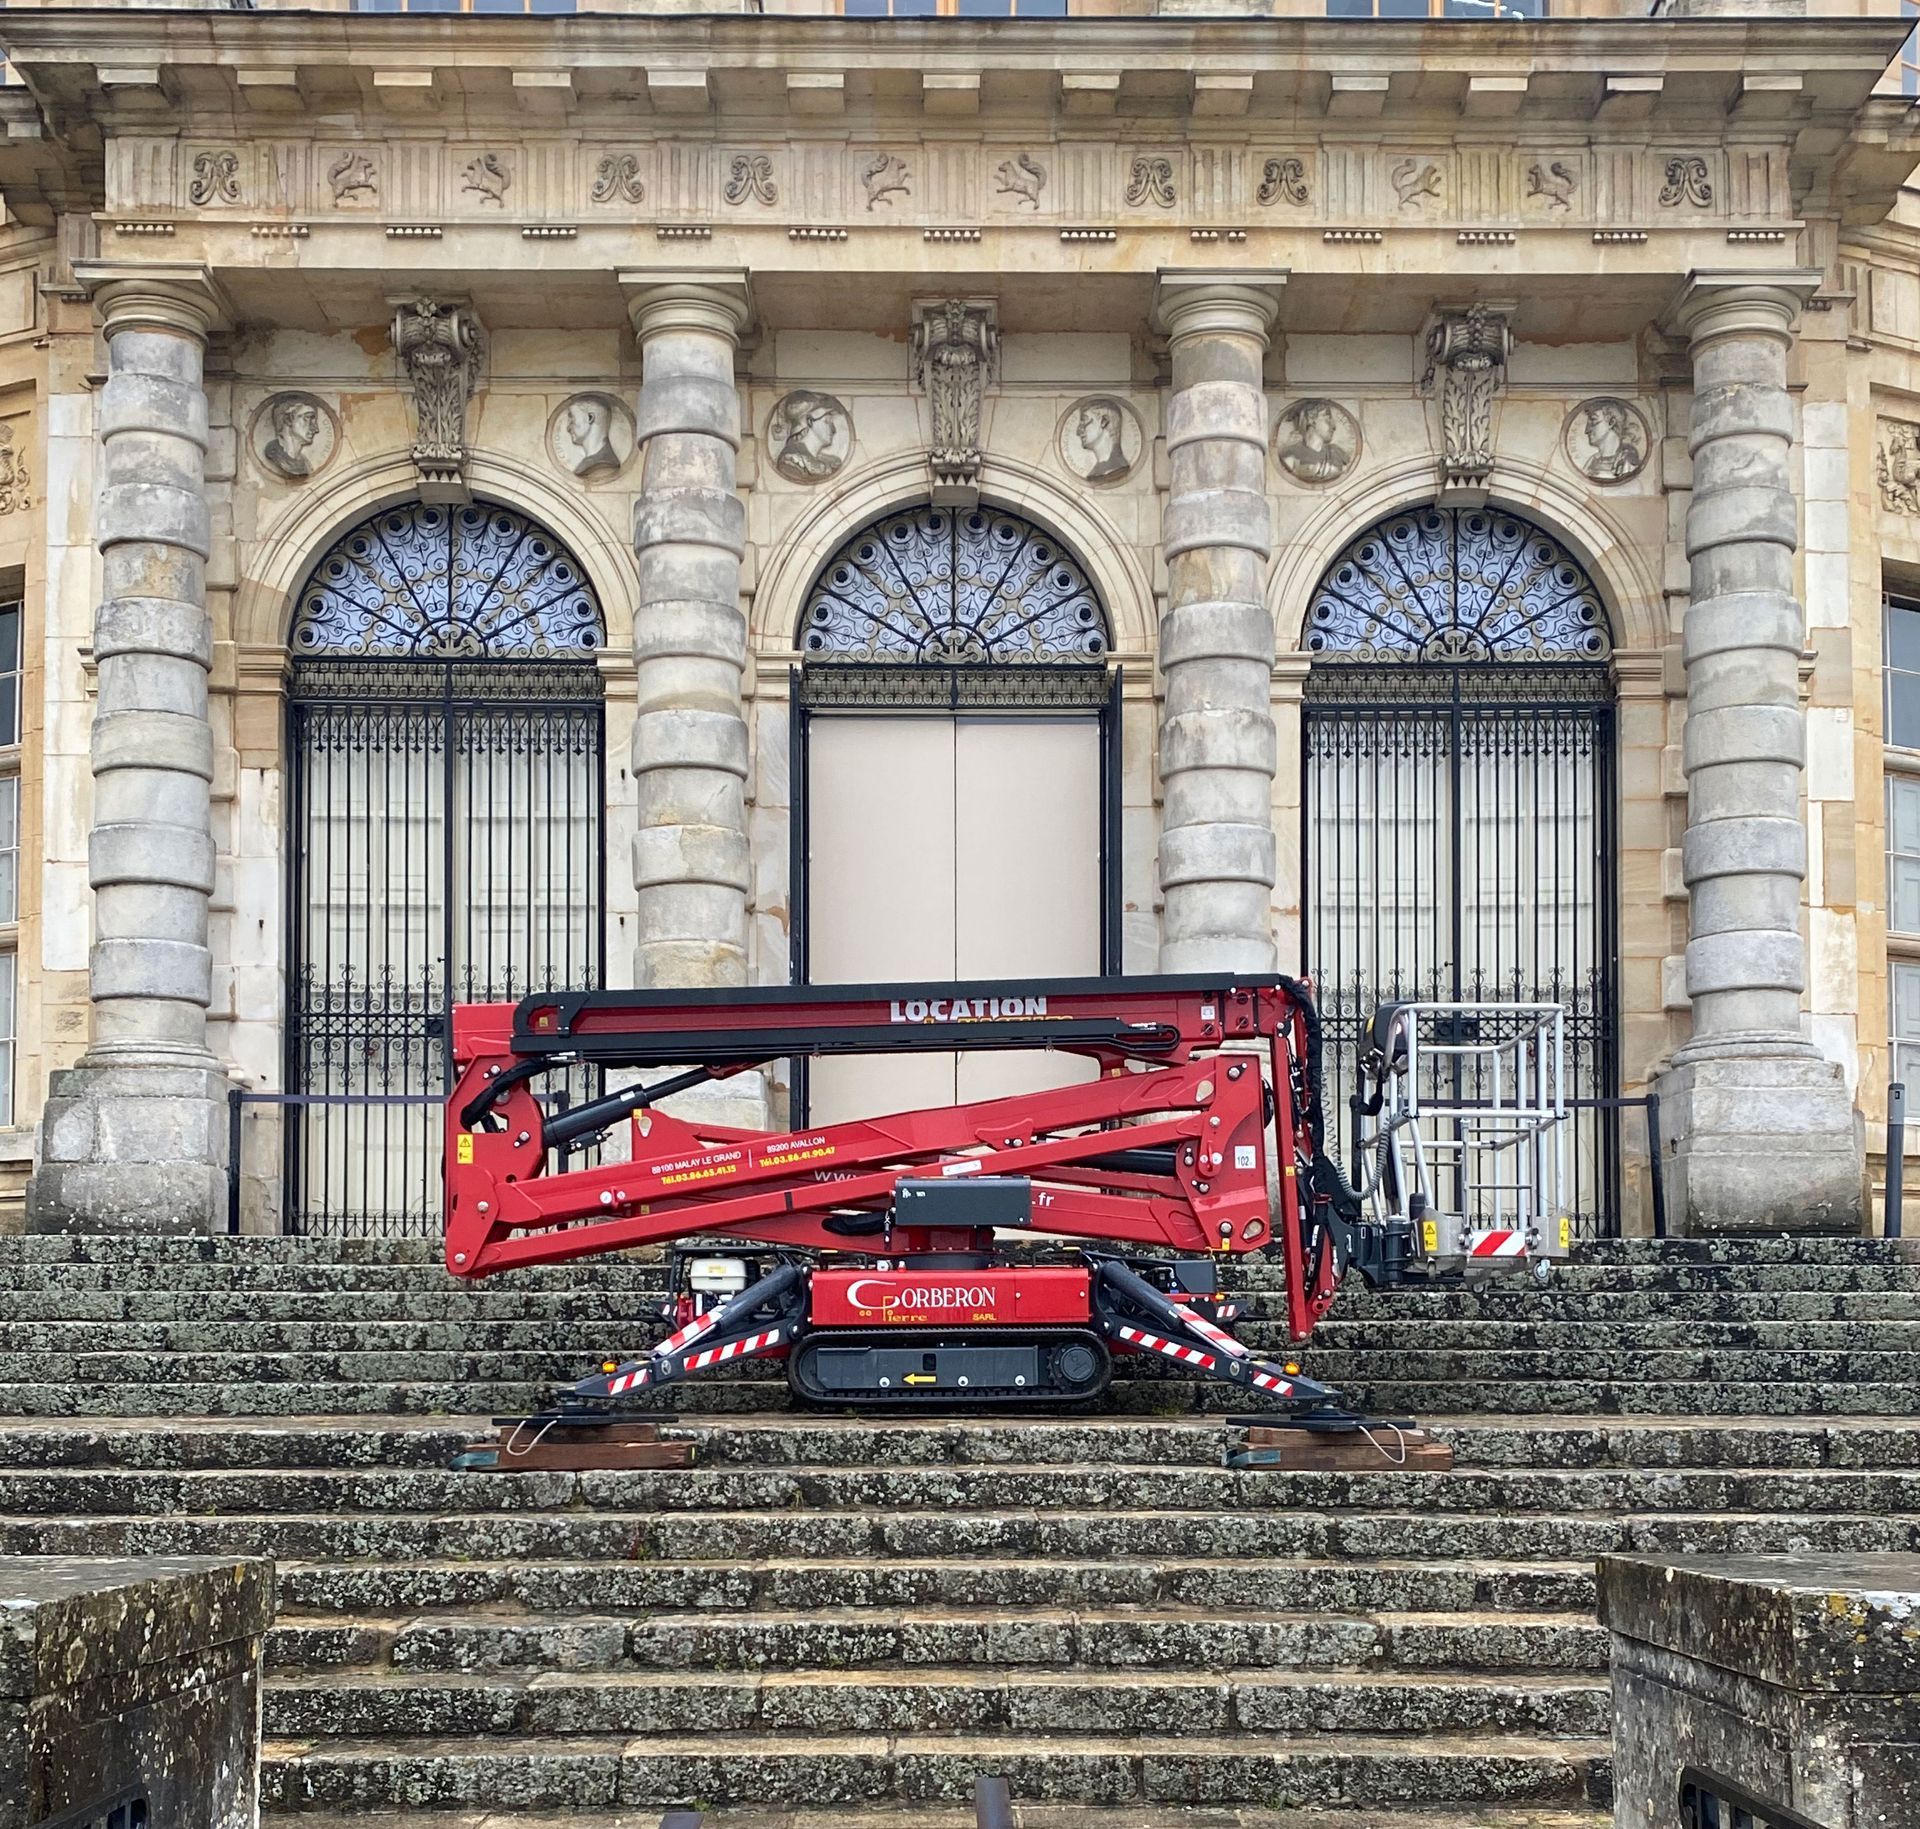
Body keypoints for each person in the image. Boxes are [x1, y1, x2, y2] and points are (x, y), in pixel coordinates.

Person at [771, 393, 845, 480]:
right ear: (809, 422)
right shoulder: (791, 461)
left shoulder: (830, 462)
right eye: (827, 421)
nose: (833, 430)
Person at [1277, 401, 1352, 484]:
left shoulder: (1338, 454)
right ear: (1311, 420)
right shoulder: (1291, 455)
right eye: (1327, 420)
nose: (1333, 426)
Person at [1579, 400, 1642, 481]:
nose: (1587, 430)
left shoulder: (1628, 462)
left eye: (1593, 420)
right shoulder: (1591, 462)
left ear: (1611, 422)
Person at [263, 395, 323, 478]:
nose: (316, 429)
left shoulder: (306, 464)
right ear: (288, 419)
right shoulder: (274, 454)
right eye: (308, 418)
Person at [560, 396, 620, 477]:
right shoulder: (586, 464)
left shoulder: (606, 461)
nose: (568, 427)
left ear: (590, 418)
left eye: (572, 418)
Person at [1073, 399, 1129, 483]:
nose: (1078, 431)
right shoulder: (1096, 472)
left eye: (1084, 422)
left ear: (1104, 422)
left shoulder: (1116, 467)